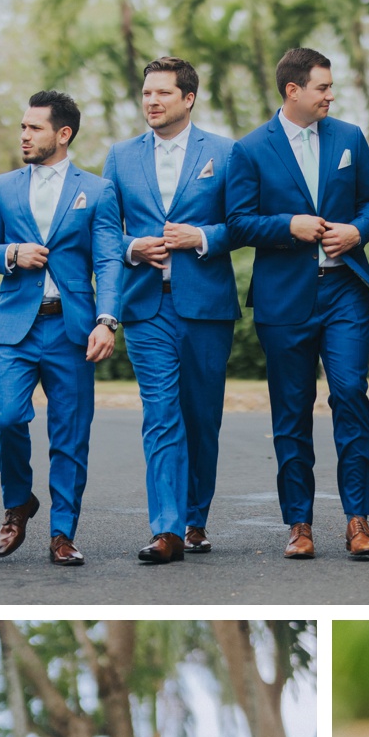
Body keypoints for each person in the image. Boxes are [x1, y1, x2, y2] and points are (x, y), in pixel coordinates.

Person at [225, 46, 369, 560]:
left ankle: (358, 520)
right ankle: (299, 523)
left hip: (343, 291)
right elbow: (237, 222)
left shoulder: (349, 138)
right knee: (291, 413)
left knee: (350, 396)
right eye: (322, 87)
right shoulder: (249, 149)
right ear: (293, 90)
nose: (330, 95)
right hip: (284, 298)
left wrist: (356, 230)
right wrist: (288, 227)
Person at [0, 91, 123, 567]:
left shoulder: (97, 191)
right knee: (7, 419)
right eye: (22, 127)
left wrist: (107, 320)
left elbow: (110, 260)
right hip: (16, 326)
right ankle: (19, 503)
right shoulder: (2, 187)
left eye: (33, 128)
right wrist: (11, 254)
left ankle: (62, 533)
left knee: (70, 435)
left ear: (63, 134)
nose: (24, 135)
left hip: (73, 328)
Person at [103, 57, 238, 564]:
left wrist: (202, 236)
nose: (152, 102)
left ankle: (195, 518)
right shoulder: (119, 157)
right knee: (161, 415)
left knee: (201, 417)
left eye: (162, 93)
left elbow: (242, 225)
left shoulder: (225, 153)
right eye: (146, 94)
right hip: (145, 306)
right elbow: (102, 231)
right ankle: (167, 529)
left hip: (206, 305)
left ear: (188, 98)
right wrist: (132, 247)